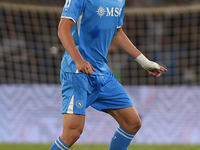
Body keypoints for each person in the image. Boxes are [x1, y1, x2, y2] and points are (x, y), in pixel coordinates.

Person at [50, 0, 167, 149]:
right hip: (77, 73)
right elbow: (63, 28)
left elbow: (117, 33)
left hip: (102, 73)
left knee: (132, 123)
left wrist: (144, 62)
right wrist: (78, 60)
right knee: (72, 133)